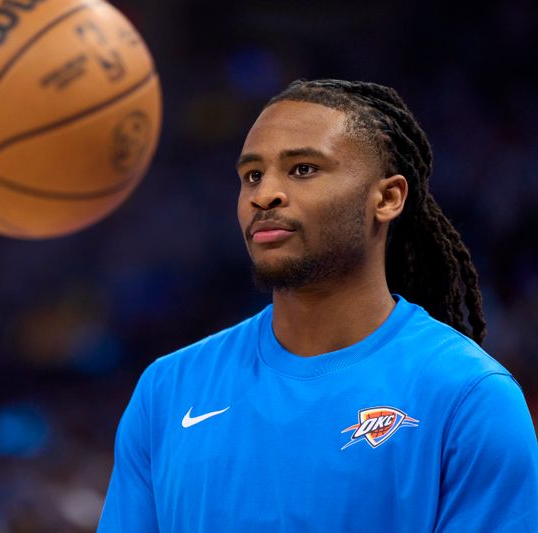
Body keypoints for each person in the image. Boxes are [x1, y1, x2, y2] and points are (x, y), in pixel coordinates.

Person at [97, 79, 538, 532]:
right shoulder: (167, 390)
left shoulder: (469, 396)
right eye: (252, 174)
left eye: (303, 169)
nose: (263, 194)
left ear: (387, 198)